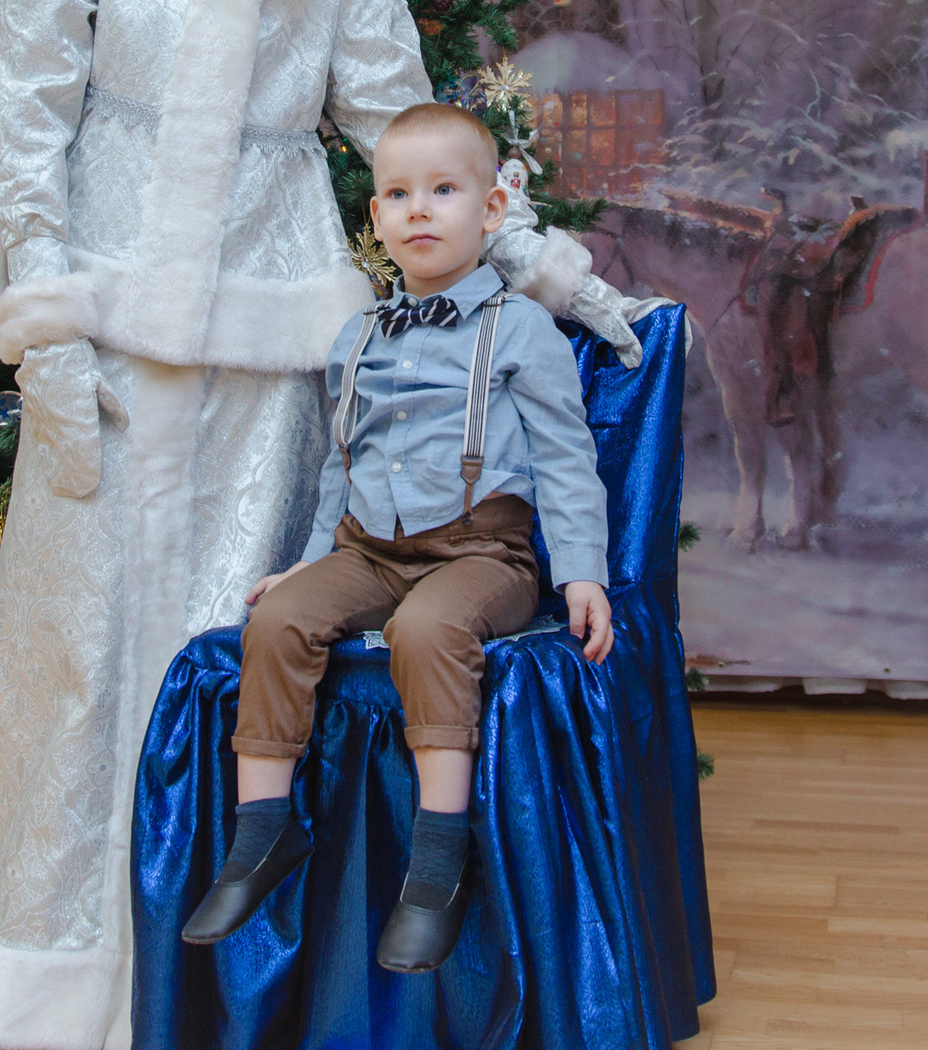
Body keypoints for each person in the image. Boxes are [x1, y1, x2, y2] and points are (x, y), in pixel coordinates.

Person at [0, 0, 655, 1050]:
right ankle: (52, 952)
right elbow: (30, 131)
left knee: (229, 645)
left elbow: (423, 164)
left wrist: (549, 265)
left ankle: (209, 976)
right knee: (75, 651)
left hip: (270, 366)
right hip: (104, 342)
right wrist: (47, 323)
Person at [181, 101, 612, 971]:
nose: (420, 209)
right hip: (369, 548)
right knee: (279, 620)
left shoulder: (520, 329)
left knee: (427, 627)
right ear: (375, 216)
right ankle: (262, 835)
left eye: (444, 190)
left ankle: (437, 863)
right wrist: (306, 564)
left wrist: (582, 574)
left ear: (492, 209)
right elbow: (341, 467)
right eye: (399, 194)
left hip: (484, 553)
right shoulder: (360, 337)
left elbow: (568, 461)